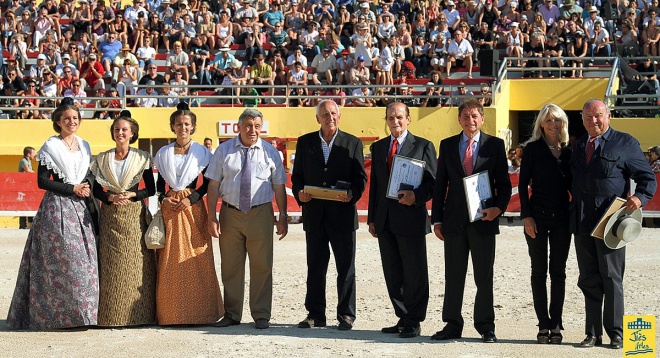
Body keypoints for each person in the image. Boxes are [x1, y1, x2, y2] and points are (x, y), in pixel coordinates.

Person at [570, 99, 657, 349]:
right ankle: (592, 333)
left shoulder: (625, 142)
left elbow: (647, 178)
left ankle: (617, 333)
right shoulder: (578, 146)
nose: (593, 121)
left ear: (608, 116)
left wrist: (639, 198)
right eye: (588, 117)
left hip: (611, 222)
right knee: (588, 278)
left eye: (598, 116)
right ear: (583, 118)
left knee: (612, 277)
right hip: (583, 221)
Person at [7, 102, 99, 330]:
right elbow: (42, 181)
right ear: (58, 121)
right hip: (57, 208)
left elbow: (89, 175)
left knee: (85, 262)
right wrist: (72, 188)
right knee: (58, 262)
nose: (72, 122)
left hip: (80, 208)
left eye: (75, 118)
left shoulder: (85, 146)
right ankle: (54, 316)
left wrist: (86, 186)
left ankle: (82, 315)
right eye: (66, 118)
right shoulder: (51, 146)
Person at [431, 99, 511, 343]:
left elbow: (504, 183)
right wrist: (436, 220)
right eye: (465, 116)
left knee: (483, 276)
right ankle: (452, 324)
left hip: (484, 219)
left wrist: (498, 209)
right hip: (453, 220)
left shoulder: (495, 146)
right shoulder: (447, 145)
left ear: (482, 118)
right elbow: (440, 184)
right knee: (453, 275)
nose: (470, 120)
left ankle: (486, 326)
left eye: (475, 116)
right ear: (459, 119)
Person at [205, 109, 288, 330]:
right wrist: (211, 216)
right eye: (248, 125)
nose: (253, 130)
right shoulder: (224, 151)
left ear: (261, 128)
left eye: (257, 126)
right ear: (239, 127)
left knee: (262, 265)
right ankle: (232, 313)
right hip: (230, 213)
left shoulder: (270, 152)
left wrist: (283, 216)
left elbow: (279, 186)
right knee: (231, 266)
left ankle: (261, 314)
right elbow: (212, 185)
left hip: (260, 213)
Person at [291, 100, 367, 330]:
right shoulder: (305, 143)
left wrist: (352, 195)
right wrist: (299, 194)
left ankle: (346, 315)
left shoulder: (352, 143)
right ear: (317, 118)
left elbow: (360, 178)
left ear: (339, 116)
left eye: (333, 113)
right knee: (315, 266)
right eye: (325, 114)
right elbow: (297, 178)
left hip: (342, 215)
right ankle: (315, 314)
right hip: (315, 215)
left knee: (345, 267)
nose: (329, 117)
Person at [367, 102, 437, 338]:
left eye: (399, 117)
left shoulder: (424, 146)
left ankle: (414, 320)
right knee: (393, 272)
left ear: (408, 118)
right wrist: (372, 218)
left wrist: (416, 196)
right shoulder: (378, 148)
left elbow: (433, 184)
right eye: (390, 118)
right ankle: (403, 316)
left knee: (415, 272)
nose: (395, 122)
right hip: (384, 219)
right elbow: (375, 185)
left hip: (411, 218)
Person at [152, 103, 223, 325]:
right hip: (171, 208)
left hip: (193, 209)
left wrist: (190, 199)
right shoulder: (163, 153)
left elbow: (208, 184)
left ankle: (200, 312)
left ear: (193, 127)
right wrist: (165, 199)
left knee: (196, 258)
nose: (182, 127)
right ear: (172, 127)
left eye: (186, 124)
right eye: (179, 124)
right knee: (169, 260)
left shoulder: (202, 153)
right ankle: (171, 313)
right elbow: (159, 184)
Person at [90, 117, 157, 327]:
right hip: (110, 216)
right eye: (117, 129)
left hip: (134, 216)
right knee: (111, 266)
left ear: (132, 134)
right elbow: (97, 190)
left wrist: (131, 195)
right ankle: (112, 316)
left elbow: (152, 189)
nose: (120, 133)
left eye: (125, 130)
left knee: (137, 266)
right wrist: (110, 197)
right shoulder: (102, 159)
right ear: (113, 133)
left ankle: (140, 316)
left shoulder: (142, 158)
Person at [518, 103, 572, 344]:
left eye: (557, 120)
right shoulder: (531, 149)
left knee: (558, 272)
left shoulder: (570, 150)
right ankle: (543, 324)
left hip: (563, 218)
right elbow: (521, 186)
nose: (553, 124)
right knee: (538, 272)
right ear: (541, 123)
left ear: (563, 123)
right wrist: (526, 216)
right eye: (549, 120)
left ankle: (556, 323)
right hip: (537, 218)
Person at [18, 146, 35, 229]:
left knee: (29, 204)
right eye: (33, 153)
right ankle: (23, 224)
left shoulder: (28, 161)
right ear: (28, 154)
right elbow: (28, 170)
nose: (34, 155)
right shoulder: (23, 161)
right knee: (23, 204)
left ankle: (30, 223)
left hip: (28, 187)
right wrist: (36, 174)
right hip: (22, 187)